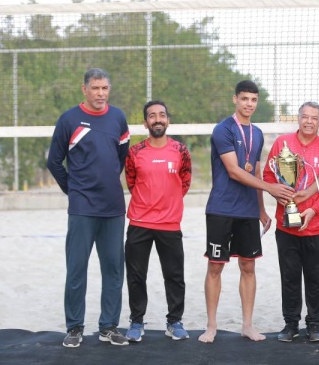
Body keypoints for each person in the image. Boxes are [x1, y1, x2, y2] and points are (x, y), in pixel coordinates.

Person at [199, 80, 294, 343]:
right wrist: (271, 188)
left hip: (248, 211)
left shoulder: (258, 133)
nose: (249, 104)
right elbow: (234, 171)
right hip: (221, 208)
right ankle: (211, 326)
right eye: (244, 99)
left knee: (248, 266)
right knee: (216, 266)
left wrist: (261, 207)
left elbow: (256, 170)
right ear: (235, 99)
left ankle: (248, 325)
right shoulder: (223, 129)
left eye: (253, 100)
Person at [47, 68, 130, 348]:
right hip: (82, 207)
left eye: (105, 88)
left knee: (114, 270)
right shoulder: (69, 119)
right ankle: (74, 328)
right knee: (76, 269)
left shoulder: (118, 118)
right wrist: (73, 190)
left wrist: (105, 181)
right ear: (84, 89)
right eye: (95, 88)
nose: (100, 93)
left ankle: (108, 326)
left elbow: (120, 157)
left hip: (113, 208)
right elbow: (54, 162)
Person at [263, 102, 319, 343]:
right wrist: (280, 195)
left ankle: (314, 324)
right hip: (286, 225)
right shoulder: (282, 144)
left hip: (316, 225)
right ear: (298, 119)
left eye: (314, 118)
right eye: (305, 116)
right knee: (290, 276)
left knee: (317, 278)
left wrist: (314, 210)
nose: (309, 121)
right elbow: (267, 176)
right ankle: (290, 324)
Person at [124, 100, 192, 342]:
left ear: (168, 120)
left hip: (170, 224)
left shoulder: (181, 151)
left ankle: (174, 322)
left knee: (174, 276)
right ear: (145, 123)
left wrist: (168, 203)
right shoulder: (134, 152)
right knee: (135, 276)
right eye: (152, 116)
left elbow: (184, 182)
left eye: (162, 115)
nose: (157, 119)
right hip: (139, 223)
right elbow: (131, 182)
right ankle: (136, 321)